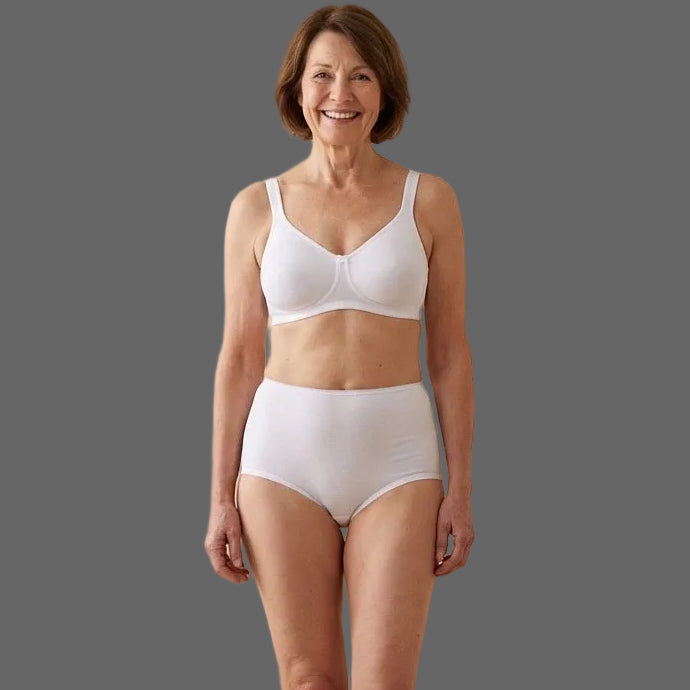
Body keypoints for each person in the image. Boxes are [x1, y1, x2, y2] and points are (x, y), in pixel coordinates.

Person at [204, 5, 474, 688]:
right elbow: (239, 358)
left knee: (386, 682)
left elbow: (449, 355)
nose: (340, 93)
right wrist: (219, 498)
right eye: (322, 75)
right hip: (281, 462)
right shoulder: (254, 207)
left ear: (385, 91)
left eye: (361, 76)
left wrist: (463, 489)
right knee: (307, 680)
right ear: (298, 89)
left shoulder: (430, 200)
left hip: (398, 462)